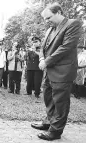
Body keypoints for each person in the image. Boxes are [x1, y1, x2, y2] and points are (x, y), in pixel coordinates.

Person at [31, 3, 83, 141]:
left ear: (59, 12)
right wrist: (42, 57)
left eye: (48, 18)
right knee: (48, 98)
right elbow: (43, 47)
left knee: (60, 103)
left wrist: (46, 61)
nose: (46, 21)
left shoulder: (73, 24)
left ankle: (55, 132)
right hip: (49, 72)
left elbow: (66, 47)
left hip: (63, 72)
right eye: (45, 19)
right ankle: (48, 122)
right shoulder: (49, 29)